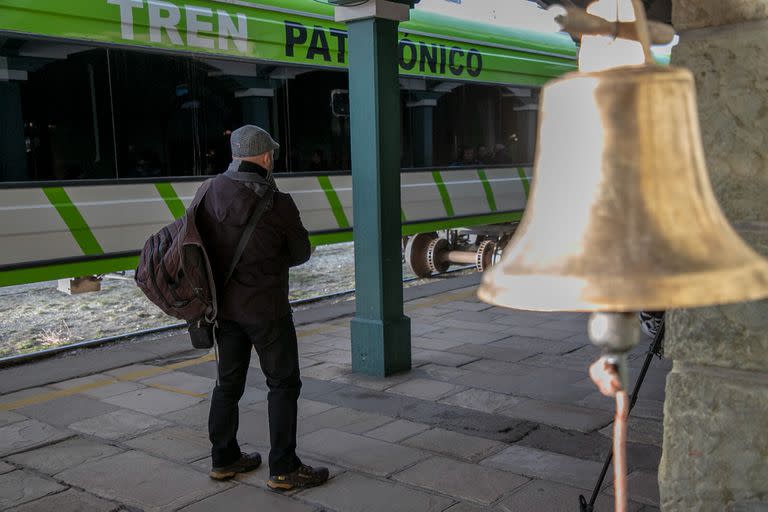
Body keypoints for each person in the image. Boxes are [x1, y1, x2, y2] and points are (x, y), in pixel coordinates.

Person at [197, 125, 329, 491]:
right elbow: (301, 253)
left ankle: (224, 459)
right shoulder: (278, 202)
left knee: (227, 384)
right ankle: (283, 467)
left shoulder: (207, 192)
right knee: (283, 384)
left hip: (224, 309)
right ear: (267, 157)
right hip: (267, 310)